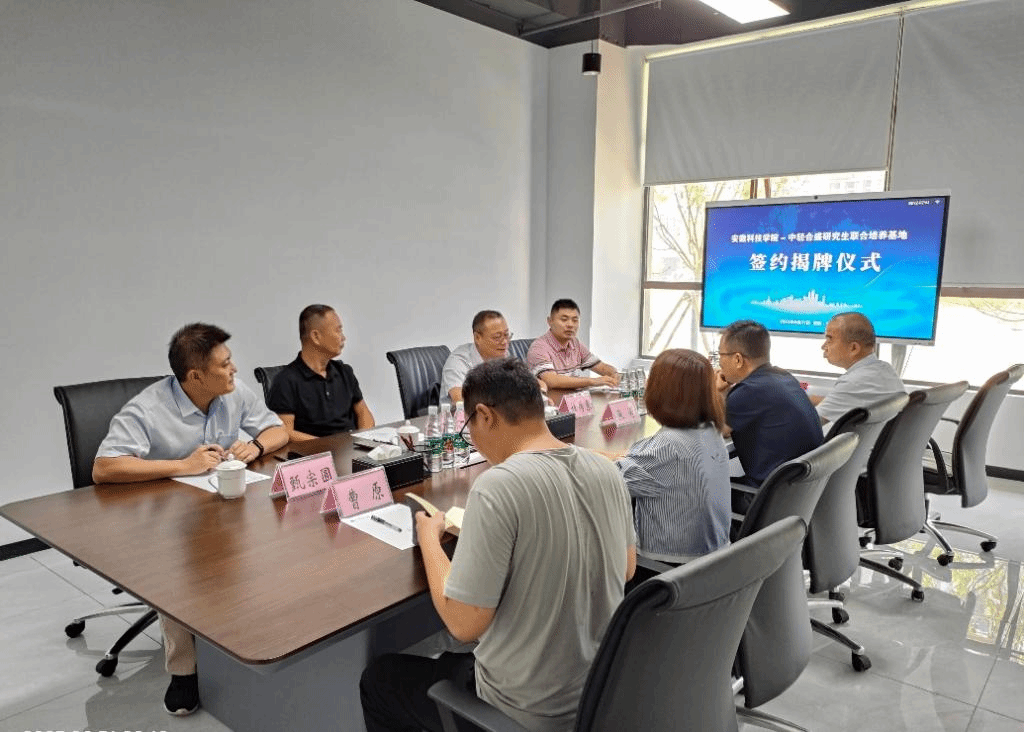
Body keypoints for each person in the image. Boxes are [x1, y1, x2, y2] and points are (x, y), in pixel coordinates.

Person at [360, 358, 636, 732]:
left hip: (522, 711)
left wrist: (428, 539)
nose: (471, 438)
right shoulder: (606, 471)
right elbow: (626, 569)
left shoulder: (498, 486)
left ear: (485, 416)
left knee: (380, 680)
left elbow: (463, 624)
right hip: (599, 696)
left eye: (468, 428)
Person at [92, 323, 288, 716]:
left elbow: (278, 429)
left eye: (231, 361)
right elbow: (104, 467)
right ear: (196, 376)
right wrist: (183, 465)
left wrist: (255, 445)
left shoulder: (233, 392)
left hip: (218, 509)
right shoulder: (147, 409)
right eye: (225, 364)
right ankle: (184, 669)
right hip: (160, 522)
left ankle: (251, 636)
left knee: (272, 541)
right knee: (180, 569)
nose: (234, 369)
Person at [611, 349, 731, 564]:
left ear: (662, 391)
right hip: (713, 561)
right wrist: (604, 456)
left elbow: (607, 480)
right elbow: (636, 461)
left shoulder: (667, 447)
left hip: (667, 567)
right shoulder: (710, 431)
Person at [715, 320, 823, 506]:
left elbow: (717, 431)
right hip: (797, 497)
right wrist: (725, 394)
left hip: (764, 500)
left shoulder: (748, 391)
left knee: (693, 489)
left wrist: (716, 393)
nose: (719, 363)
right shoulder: (783, 376)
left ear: (738, 359)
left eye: (720, 355)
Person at [267, 304, 375, 440]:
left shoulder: (344, 371)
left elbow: (363, 412)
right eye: (338, 331)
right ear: (316, 337)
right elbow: (284, 432)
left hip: (352, 447)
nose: (343, 338)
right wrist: (327, 446)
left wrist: (363, 439)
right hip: (315, 451)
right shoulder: (286, 381)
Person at [810, 312, 905, 425]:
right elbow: (849, 401)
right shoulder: (886, 370)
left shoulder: (853, 383)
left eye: (830, 340)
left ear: (854, 348)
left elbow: (808, 426)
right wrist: (813, 400)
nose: (823, 346)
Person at [527, 298, 620, 391]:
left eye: (575, 320)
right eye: (564, 320)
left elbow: (601, 367)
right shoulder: (539, 347)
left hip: (572, 397)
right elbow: (551, 380)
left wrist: (614, 373)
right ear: (550, 321)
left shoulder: (575, 344)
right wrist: (593, 381)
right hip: (550, 399)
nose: (570, 325)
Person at [440, 310, 513, 404]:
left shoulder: (503, 355)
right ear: (477, 338)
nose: (504, 342)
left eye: (506, 335)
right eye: (497, 337)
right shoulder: (459, 361)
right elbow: (459, 400)